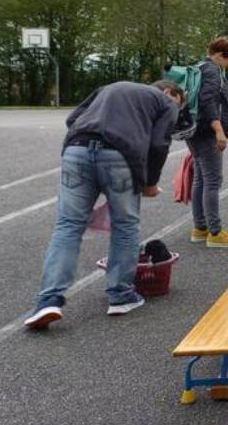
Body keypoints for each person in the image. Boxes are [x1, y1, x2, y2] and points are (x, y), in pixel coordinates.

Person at [24, 80, 184, 329]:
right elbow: (159, 143)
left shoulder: (110, 88)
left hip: (77, 149)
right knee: (125, 225)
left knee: (68, 225)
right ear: (169, 92)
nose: (178, 109)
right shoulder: (167, 102)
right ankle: (121, 295)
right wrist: (150, 182)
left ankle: (47, 301)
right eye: (180, 103)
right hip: (121, 156)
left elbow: (73, 118)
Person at [187, 36, 228, 248]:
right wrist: (218, 129)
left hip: (195, 131)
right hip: (208, 131)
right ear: (220, 55)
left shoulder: (199, 67)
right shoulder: (211, 70)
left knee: (200, 179)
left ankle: (200, 228)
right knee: (212, 181)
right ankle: (215, 232)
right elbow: (207, 100)